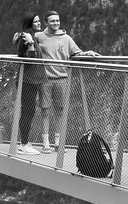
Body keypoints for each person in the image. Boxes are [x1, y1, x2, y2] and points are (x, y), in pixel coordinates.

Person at [35, 11, 100, 151]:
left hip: (62, 78)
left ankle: (58, 143)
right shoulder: (39, 36)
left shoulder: (66, 38)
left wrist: (87, 53)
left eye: (57, 20)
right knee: (45, 110)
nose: (55, 23)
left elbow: (76, 53)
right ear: (46, 23)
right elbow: (28, 48)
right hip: (44, 79)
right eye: (52, 21)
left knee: (59, 110)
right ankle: (45, 143)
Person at [13, 14, 45, 154]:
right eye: (36, 21)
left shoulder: (29, 35)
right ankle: (24, 144)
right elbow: (29, 60)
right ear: (30, 23)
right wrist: (31, 43)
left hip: (32, 79)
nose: (39, 23)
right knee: (27, 111)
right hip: (27, 80)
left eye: (39, 20)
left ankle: (24, 142)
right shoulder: (27, 38)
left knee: (29, 111)